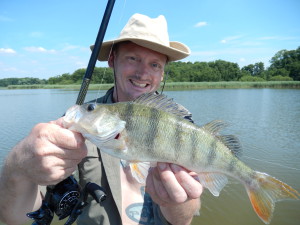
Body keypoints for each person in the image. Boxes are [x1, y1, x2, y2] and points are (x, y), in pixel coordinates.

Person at [0, 13, 203, 225]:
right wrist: (17, 167)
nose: (143, 73)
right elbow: (13, 218)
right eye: (133, 58)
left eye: (155, 65)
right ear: (112, 60)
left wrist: (176, 203)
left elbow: (183, 220)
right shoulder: (83, 122)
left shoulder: (181, 123)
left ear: (162, 73)